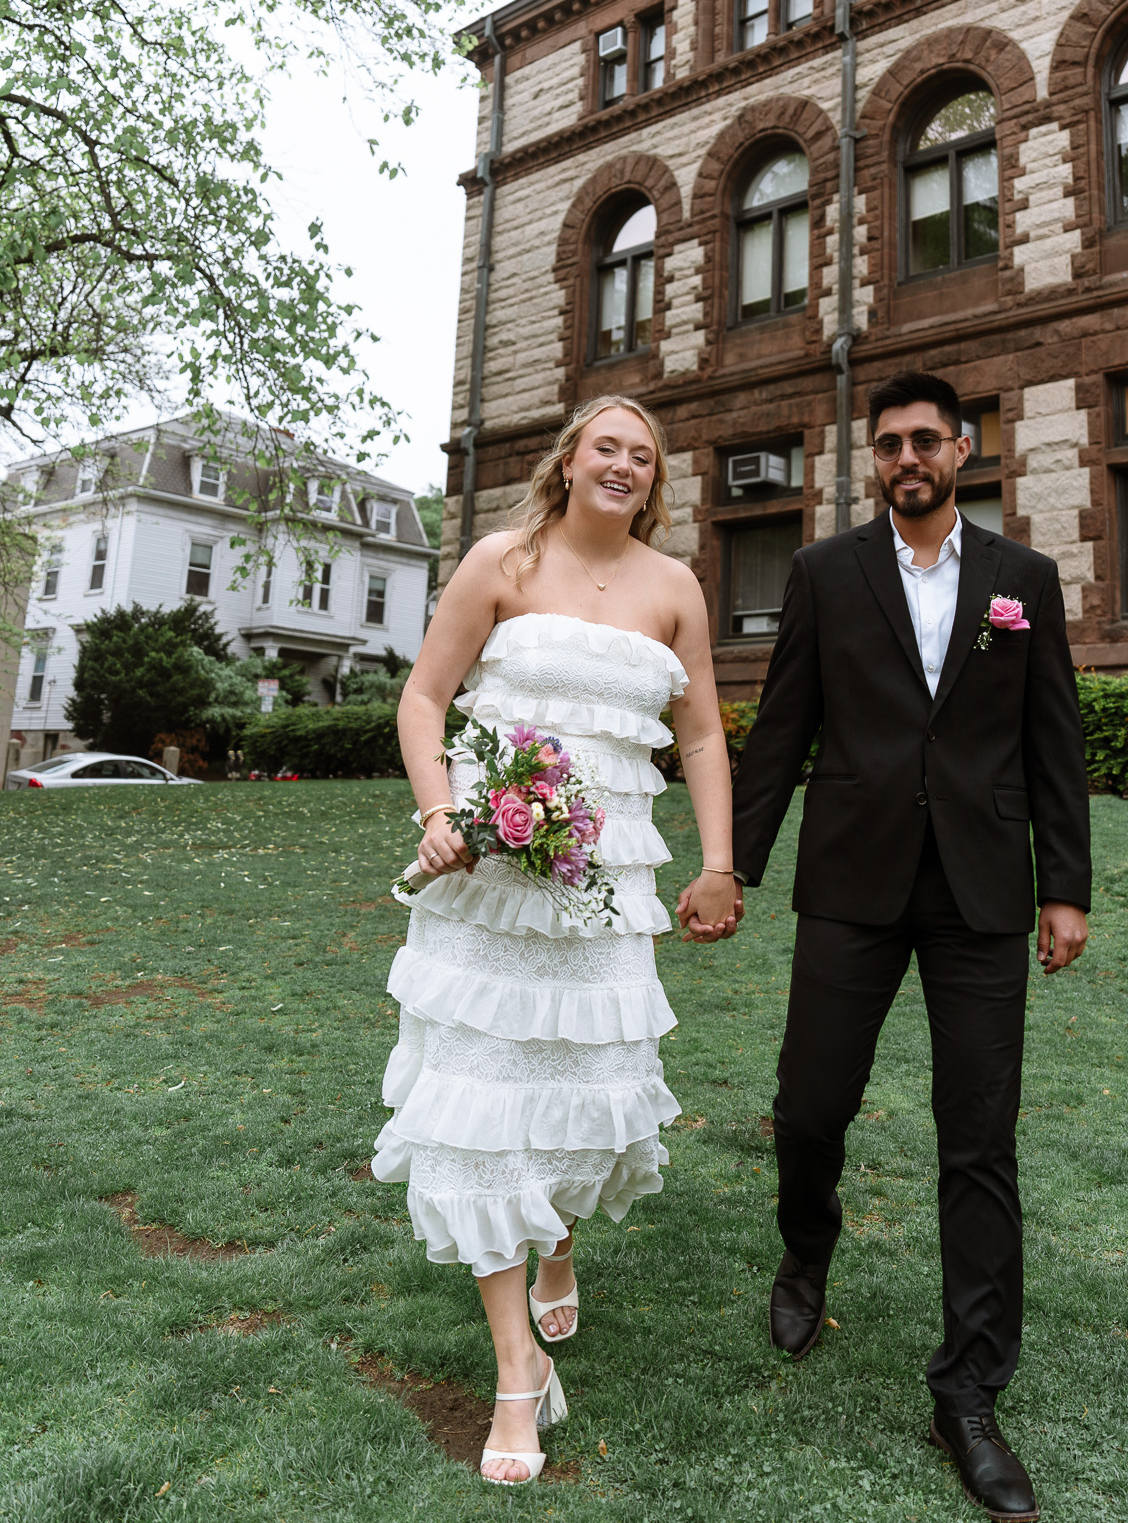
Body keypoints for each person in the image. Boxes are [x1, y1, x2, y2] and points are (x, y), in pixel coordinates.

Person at [722, 370, 1091, 1522]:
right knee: (810, 1105)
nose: (906, 458)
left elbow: (1054, 740)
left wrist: (1064, 888)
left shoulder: (1023, 579)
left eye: (925, 439)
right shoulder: (824, 572)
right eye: (888, 443)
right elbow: (783, 727)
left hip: (981, 893)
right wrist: (735, 862)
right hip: (852, 880)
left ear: (963, 448)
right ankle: (806, 1247)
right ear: (873, 458)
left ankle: (969, 1392)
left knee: (979, 1136)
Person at [377, 394, 737, 1485]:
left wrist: (718, 861)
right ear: (570, 460)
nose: (623, 465)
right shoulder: (501, 560)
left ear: (653, 479)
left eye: (643, 456)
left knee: (584, 1089)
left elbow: (702, 733)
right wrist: (440, 812)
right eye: (606, 447)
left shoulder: (675, 588)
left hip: (604, 888)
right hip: (489, 879)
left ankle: (559, 1241)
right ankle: (516, 1370)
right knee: (481, 1107)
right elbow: (424, 697)